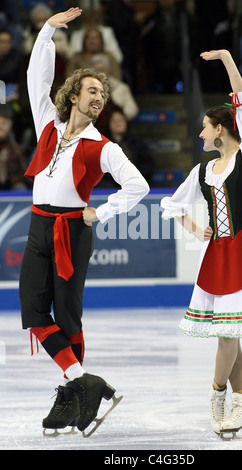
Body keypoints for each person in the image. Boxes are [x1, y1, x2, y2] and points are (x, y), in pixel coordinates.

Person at [19, 8, 149, 436]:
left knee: (68, 317)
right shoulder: (48, 127)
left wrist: (102, 210)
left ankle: (70, 398)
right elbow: (37, 79)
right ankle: (83, 383)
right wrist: (48, 31)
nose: (99, 98)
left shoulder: (104, 147)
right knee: (34, 312)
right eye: (91, 91)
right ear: (73, 94)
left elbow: (138, 186)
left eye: (103, 94)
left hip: (73, 232)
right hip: (39, 226)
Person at [161, 49, 242, 438]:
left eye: (204, 126)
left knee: (228, 333)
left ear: (221, 128)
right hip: (216, 255)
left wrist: (228, 60)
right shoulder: (202, 171)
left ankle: (216, 395)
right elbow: (172, 205)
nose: (200, 133)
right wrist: (194, 228)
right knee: (228, 332)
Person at [0, 109, 28, 190]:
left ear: (9, 126)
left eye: (4, 123)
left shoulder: (17, 149)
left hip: (14, 185)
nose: (1, 126)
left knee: (21, 188)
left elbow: (24, 172)